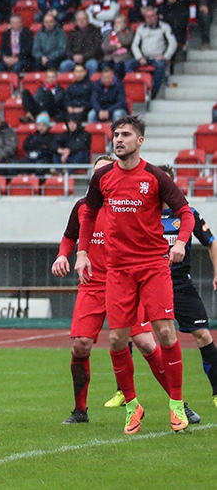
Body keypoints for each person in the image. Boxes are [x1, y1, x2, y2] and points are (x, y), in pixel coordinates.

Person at [75, 115, 193, 434]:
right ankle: (132, 406)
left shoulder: (155, 177)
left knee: (165, 332)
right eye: (115, 134)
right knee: (116, 339)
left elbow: (185, 212)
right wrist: (82, 252)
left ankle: (176, 405)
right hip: (118, 269)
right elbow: (87, 215)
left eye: (126, 134)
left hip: (153, 265)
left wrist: (180, 242)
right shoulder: (102, 178)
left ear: (139, 141)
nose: (118, 139)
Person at [52, 155, 188, 424]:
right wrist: (62, 255)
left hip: (126, 279)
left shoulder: (127, 204)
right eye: (98, 174)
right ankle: (80, 409)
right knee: (80, 346)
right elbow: (70, 235)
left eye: (107, 172)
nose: (103, 179)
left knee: (147, 341)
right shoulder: (83, 208)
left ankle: (178, 403)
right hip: (93, 285)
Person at [157, 165, 217, 410]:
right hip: (152, 284)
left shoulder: (187, 213)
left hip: (181, 285)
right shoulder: (143, 214)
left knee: (203, 335)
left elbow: (211, 242)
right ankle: (126, 394)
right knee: (138, 338)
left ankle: (216, 393)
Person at [126, 6, 177, 97]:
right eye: (147, 17)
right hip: (144, 57)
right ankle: (132, 89)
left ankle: (153, 92)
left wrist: (165, 56)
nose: (149, 19)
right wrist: (140, 57)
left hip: (158, 57)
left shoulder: (164, 27)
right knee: (128, 64)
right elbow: (134, 45)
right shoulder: (141, 28)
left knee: (161, 65)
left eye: (152, 16)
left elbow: (173, 43)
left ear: (156, 17)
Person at [101, 14, 135, 79]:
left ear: (125, 24)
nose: (118, 24)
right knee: (104, 66)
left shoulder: (129, 32)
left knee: (118, 67)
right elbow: (104, 47)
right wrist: (116, 47)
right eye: (116, 22)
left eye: (120, 22)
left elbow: (126, 42)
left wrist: (119, 32)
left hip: (122, 57)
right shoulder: (110, 34)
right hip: (110, 57)